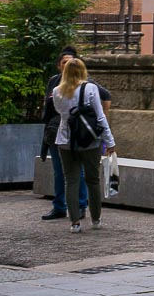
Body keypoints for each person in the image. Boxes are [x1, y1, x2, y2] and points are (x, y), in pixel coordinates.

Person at [37, 46, 110, 221]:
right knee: (60, 172)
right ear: (59, 65)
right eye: (64, 62)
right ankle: (60, 206)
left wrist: (97, 125)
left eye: (70, 62)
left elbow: (106, 97)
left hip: (81, 134)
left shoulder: (87, 85)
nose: (67, 65)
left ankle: (80, 206)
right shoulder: (54, 83)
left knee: (80, 175)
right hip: (57, 132)